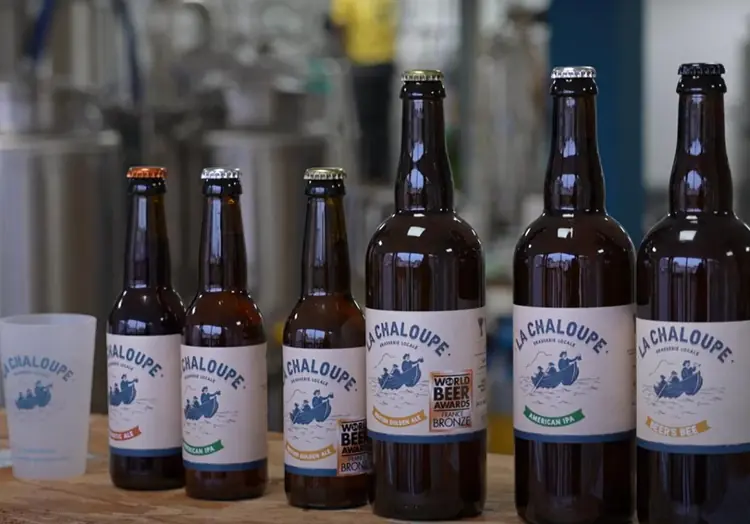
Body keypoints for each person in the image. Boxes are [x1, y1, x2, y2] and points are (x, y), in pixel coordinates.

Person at [328, 0, 396, 186]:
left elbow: (338, 25)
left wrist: (340, 51)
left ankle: (375, 175)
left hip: (373, 63)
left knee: (372, 123)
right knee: (374, 123)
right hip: (370, 63)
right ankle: (375, 174)